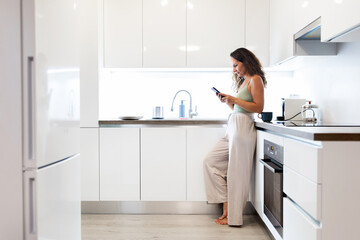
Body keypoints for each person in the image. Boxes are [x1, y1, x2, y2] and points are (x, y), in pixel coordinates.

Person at [203, 47, 266, 226]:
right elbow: (240, 108)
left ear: (246, 61)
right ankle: (227, 208)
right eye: (233, 66)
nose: (234, 69)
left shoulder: (256, 80)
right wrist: (228, 102)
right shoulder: (243, 81)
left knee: (237, 173)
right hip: (233, 125)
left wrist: (234, 99)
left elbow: (258, 108)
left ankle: (233, 217)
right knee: (211, 162)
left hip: (243, 127)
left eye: (235, 65)